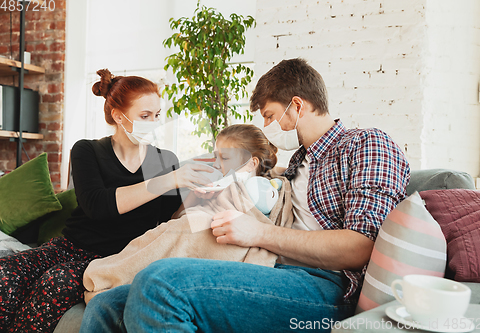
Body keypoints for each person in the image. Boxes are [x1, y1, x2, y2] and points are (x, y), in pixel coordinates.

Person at [79, 58, 411, 333]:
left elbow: (360, 246)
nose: (266, 126)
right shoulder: (297, 162)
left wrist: (259, 232)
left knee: (161, 282)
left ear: (296, 106)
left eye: (269, 115)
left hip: (322, 287)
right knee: (107, 306)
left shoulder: (366, 144)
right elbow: (263, 196)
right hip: (269, 267)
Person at [0, 69, 213, 332]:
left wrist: (196, 198)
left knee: (55, 282)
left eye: (157, 115)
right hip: (70, 246)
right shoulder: (87, 150)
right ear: (118, 116)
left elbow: (168, 221)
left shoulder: (163, 160)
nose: (154, 123)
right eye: (144, 116)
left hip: (117, 258)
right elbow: (98, 206)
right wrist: (167, 181)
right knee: (6, 273)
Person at [82, 124, 292, 303]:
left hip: (218, 235)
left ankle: (107, 276)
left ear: (251, 163)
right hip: (188, 225)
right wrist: (196, 196)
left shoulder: (259, 187)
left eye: (225, 158)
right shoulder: (218, 182)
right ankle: (114, 273)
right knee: (163, 233)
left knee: (180, 234)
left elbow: (252, 213)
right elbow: (179, 218)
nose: (217, 164)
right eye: (215, 157)